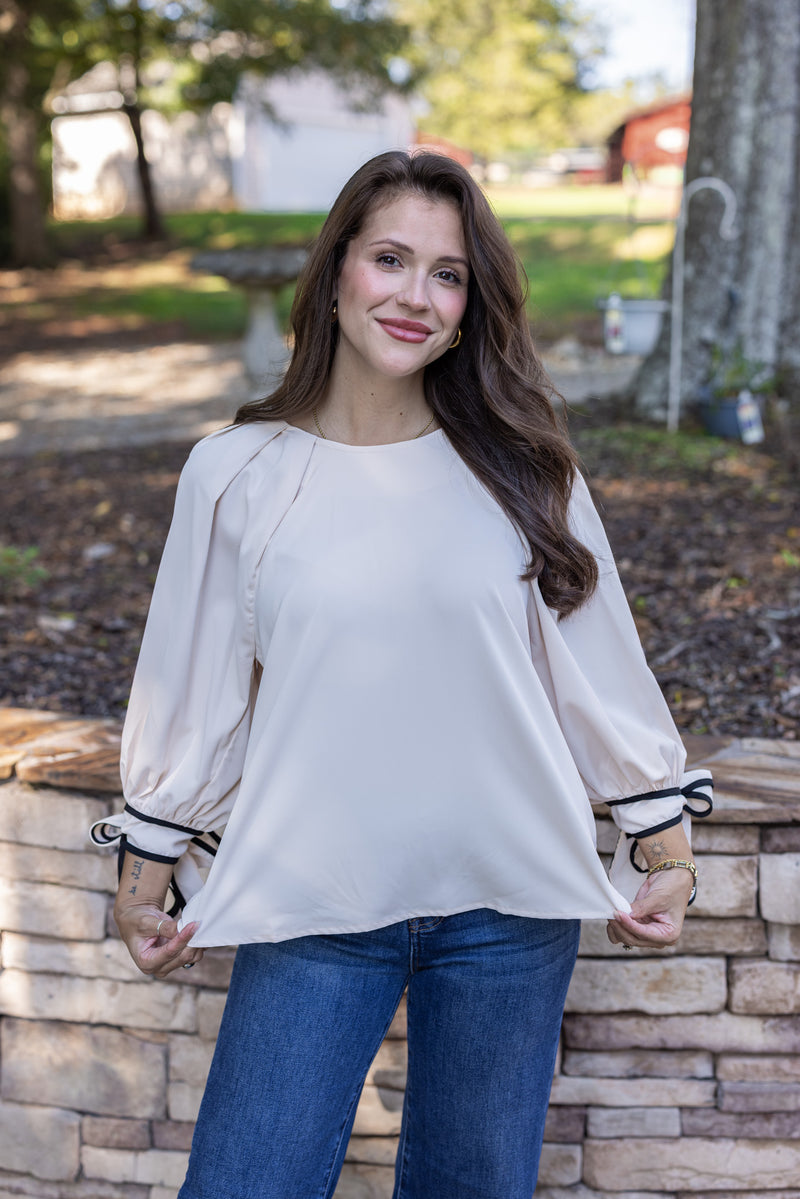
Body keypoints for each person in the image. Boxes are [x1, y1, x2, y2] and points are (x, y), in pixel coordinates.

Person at [93, 150, 712, 1198]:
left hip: (508, 908)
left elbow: (593, 665)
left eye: (447, 273)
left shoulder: (525, 468)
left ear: (470, 307)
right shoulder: (236, 473)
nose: (414, 295)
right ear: (335, 272)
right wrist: (146, 866)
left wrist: (660, 837)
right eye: (389, 257)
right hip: (311, 900)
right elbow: (192, 681)